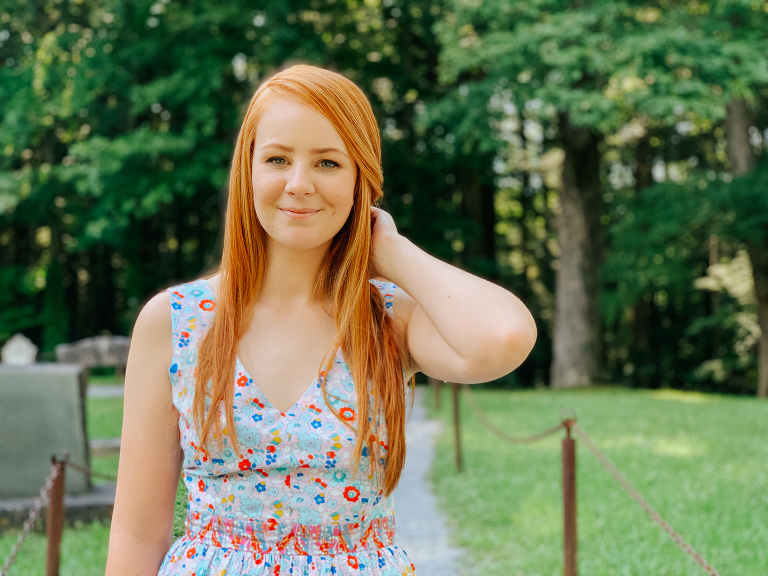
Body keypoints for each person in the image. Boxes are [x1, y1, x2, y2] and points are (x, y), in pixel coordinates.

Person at [105, 63, 537, 576]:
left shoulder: (388, 318)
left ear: (361, 180)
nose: (299, 184)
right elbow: (137, 532)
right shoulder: (176, 322)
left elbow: (503, 337)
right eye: (278, 159)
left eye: (328, 163)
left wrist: (391, 251)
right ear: (248, 171)